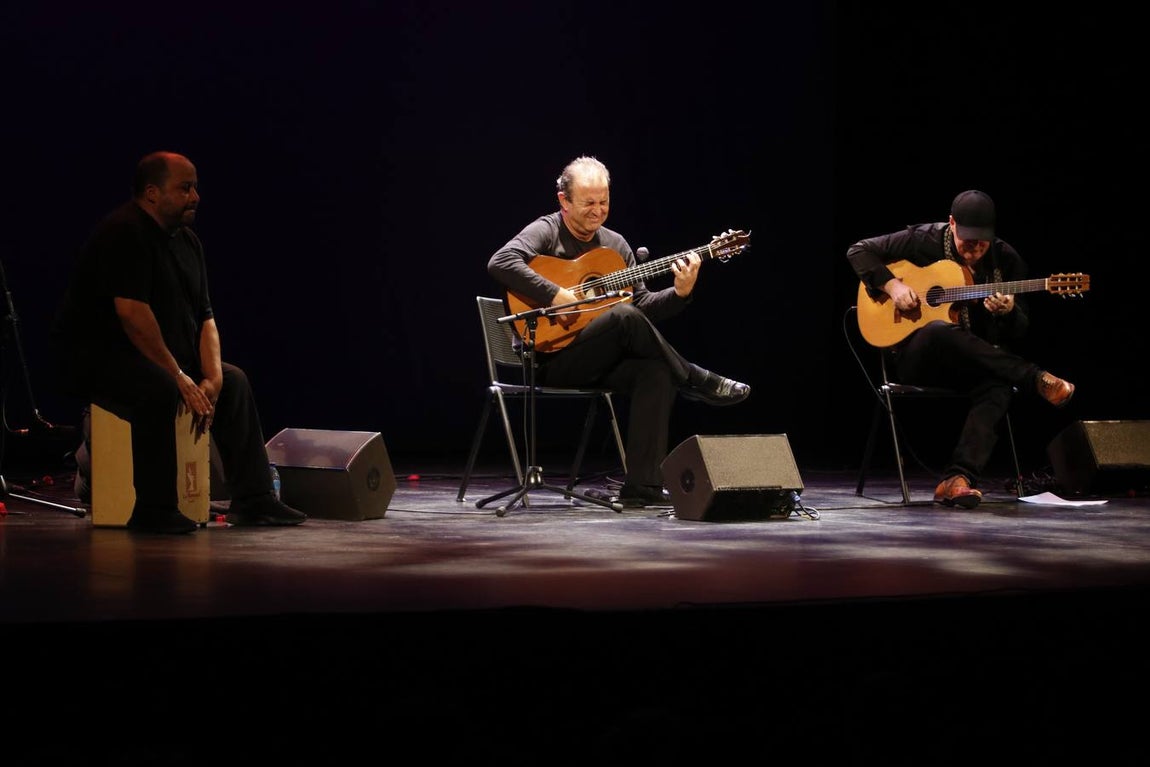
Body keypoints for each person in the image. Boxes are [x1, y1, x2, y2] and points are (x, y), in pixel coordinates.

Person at [50, 151, 306, 534]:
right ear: (152, 193)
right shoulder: (125, 232)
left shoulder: (188, 242)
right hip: (100, 359)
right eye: (185, 188)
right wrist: (180, 376)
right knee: (158, 388)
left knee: (234, 382)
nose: (195, 197)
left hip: (154, 356)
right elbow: (133, 316)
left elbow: (205, 317)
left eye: (196, 188)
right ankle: (153, 508)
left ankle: (254, 501)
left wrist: (213, 378)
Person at [487, 155, 750, 507]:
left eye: (604, 202)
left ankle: (643, 488)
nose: (598, 211)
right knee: (625, 318)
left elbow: (642, 307)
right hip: (551, 359)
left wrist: (680, 293)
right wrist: (556, 293)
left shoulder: (616, 246)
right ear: (564, 202)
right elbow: (500, 262)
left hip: (599, 359)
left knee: (654, 370)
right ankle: (696, 378)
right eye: (588, 203)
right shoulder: (546, 231)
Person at [847, 189, 1076, 509]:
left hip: (972, 363)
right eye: (967, 240)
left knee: (998, 386)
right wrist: (893, 285)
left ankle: (957, 479)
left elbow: (1020, 329)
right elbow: (859, 251)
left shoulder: (1006, 260)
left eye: (982, 242)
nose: (974, 249)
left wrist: (1008, 313)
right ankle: (1033, 377)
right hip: (918, 357)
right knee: (941, 330)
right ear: (952, 223)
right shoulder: (923, 240)